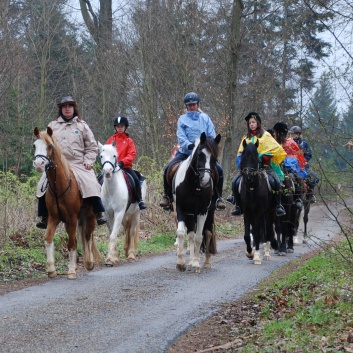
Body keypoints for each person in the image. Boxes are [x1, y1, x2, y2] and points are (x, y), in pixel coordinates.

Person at [36, 96, 107, 229]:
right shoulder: (52, 125)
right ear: (61, 109)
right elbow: (44, 142)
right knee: (42, 185)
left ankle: (98, 212)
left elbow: (92, 147)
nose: (67, 109)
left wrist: (88, 161)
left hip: (78, 163)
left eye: (70, 106)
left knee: (91, 183)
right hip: (58, 164)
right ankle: (43, 216)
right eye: (64, 106)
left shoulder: (82, 125)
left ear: (74, 108)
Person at [159, 92, 226, 210]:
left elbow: (211, 135)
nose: (192, 107)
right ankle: (167, 196)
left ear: (197, 104)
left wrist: (207, 146)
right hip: (186, 151)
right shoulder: (182, 119)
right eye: (189, 105)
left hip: (204, 153)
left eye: (194, 104)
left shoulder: (205, 118)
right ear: (186, 106)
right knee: (168, 168)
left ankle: (218, 197)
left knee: (219, 170)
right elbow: (181, 136)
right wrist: (189, 145)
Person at [229, 112, 287, 217]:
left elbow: (276, 149)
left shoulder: (266, 135)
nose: (251, 124)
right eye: (249, 122)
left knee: (277, 182)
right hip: (249, 169)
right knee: (234, 182)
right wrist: (241, 163)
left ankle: (278, 205)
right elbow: (240, 153)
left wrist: (264, 157)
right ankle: (237, 205)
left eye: (253, 122)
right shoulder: (245, 138)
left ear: (258, 123)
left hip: (264, 167)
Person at [105, 116, 147, 210]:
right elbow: (106, 152)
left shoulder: (129, 141)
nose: (120, 128)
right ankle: (99, 202)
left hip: (125, 167)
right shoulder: (110, 140)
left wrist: (122, 163)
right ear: (115, 127)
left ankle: (140, 200)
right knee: (99, 179)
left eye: (122, 126)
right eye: (118, 126)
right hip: (112, 167)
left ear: (125, 127)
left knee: (136, 179)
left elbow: (132, 154)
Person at [272, 122, 307, 210]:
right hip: (275, 164)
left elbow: (299, 154)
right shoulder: (273, 142)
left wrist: (302, 164)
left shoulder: (290, 143)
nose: (274, 134)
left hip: (290, 165)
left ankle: (298, 198)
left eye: (276, 133)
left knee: (296, 177)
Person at [289, 125, 319, 203]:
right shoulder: (288, 143)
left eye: (293, 134)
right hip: (291, 165)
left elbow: (309, 154)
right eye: (291, 134)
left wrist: (303, 161)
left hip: (303, 165)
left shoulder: (304, 144)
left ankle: (310, 195)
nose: (291, 135)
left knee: (314, 178)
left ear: (298, 134)